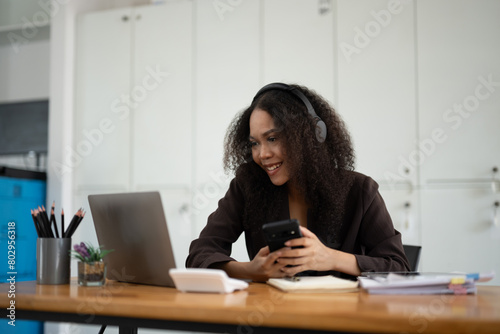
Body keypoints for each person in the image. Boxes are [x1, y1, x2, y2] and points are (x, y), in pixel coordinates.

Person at [186, 83, 410, 282]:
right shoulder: (248, 185)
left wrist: (332, 259)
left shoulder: (360, 190)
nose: (262, 154)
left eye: (272, 139)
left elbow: (399, 268)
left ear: (309, 135)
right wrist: (250, 270)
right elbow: (200, 254)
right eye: (255, 143)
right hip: (272, 320)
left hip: (342, 321)